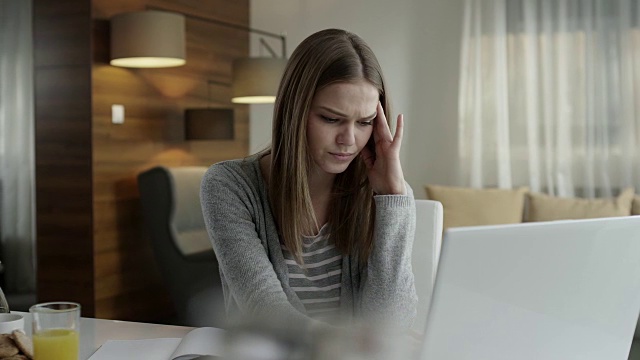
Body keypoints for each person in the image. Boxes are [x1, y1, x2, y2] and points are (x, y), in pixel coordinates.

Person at [200, 28, 417, 329]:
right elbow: (267, 315)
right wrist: (352, 345)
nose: (349, 139)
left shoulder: (387, 196)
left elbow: (394, 324)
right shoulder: (229, 185)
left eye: (365, 122)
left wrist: (393, 197)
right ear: (294, 110)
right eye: (331, 118)